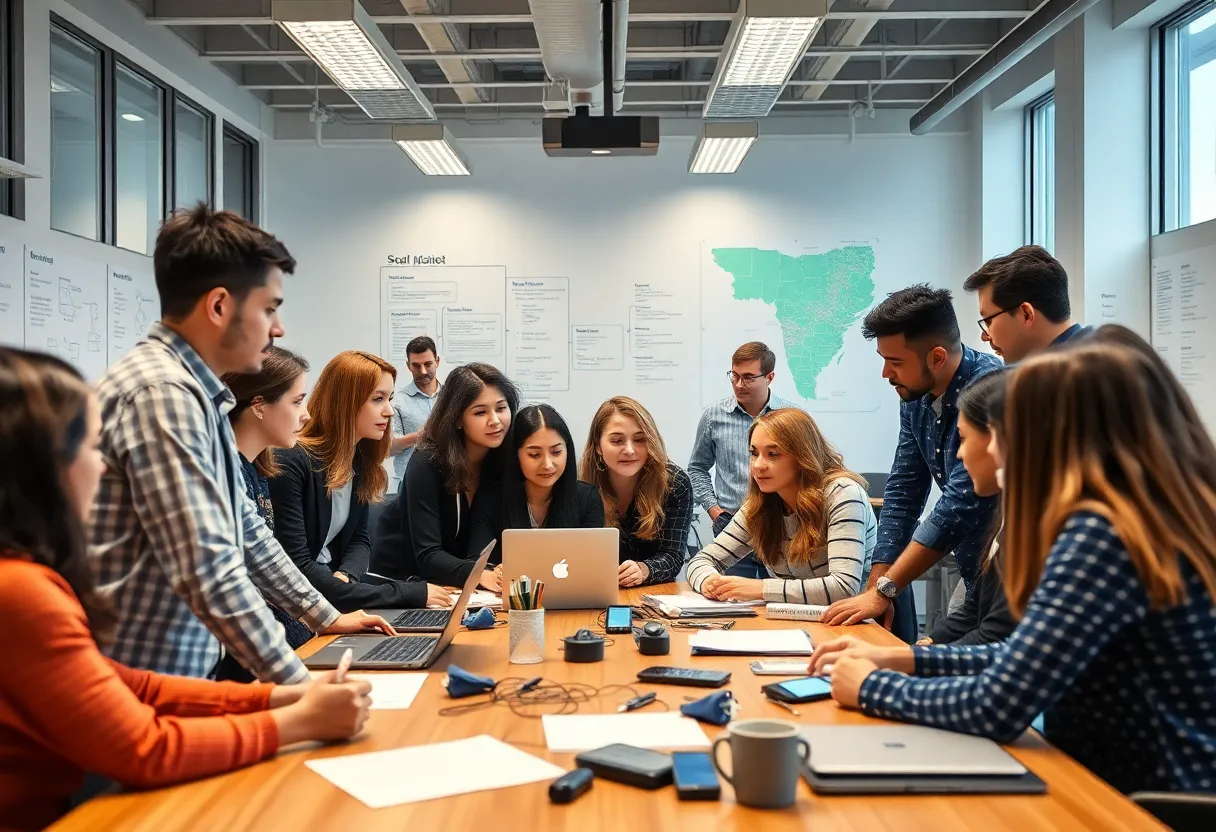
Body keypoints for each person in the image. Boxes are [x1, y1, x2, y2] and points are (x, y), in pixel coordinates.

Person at [811, 328, 1216, 795]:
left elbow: (1000, 704)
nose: (970, 452)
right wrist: (904, 658)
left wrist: (870, 687)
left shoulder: (1101, 533)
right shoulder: (1136, 517)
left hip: (1143, 802)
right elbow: (1025, 658)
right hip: (1138, 784)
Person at [0, 347, 373, 832]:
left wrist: (278, 699)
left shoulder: (27, 577)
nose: (104, 465)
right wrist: (298, 719)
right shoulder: (20, 591)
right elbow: (143, 748)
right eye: (93, 447)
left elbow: (136, 687)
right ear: (45, 469)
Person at [88, 205, 390, 685]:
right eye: (269, 308)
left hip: (176, 681)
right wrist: (298, 684)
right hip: (144, 687)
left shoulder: (196, 394)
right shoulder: (162, 395)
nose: (278, 328)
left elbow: (248, 533)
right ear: (220, 307)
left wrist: (324, 617)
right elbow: (208, 565)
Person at [821, 286, 1001, 643]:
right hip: (974, 577)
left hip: (1004, 574)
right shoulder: (915, 395)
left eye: (896, 362)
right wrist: (877, 586)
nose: (886, 373)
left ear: (936, 357)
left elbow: (956, 507)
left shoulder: (990, 391)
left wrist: (886, 590)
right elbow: (904, 489)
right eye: (883, 358)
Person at [269, 351, 449, 613]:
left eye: (389, 399)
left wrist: (346, 577)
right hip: (300, 604)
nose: (388, 411)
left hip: (334, 591)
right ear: (345, 402)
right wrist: (406, 593)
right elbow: (296, 565)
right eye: (378, 399)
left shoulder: (360, 460)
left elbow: (359, 540)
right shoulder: (293, 460)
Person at [686, 408, 876, 604]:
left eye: (773, 454)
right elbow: (701, 561)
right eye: (754, 453)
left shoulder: (843, 494)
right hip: (792, 623)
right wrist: (710, 582)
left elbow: (844, 588)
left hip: (851, 627)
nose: (758, 465)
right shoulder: (760, 504)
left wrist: (760, 588)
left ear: (803, 457)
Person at [370, 363, 519, 591]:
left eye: (501, 408)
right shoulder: (428, 461)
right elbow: (427, 554)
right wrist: (478, 573)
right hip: (405, 583)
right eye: (480, 412)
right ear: (457, 418)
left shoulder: (503, 459)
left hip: (461, 586)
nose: (495, 420)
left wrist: (493, 569)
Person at [218, 346, 315, 680]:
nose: (306, 415)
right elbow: (248, 585)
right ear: (258, 406)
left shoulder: (257, 468)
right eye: (297, 402)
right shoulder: (226, 473)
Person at [916, 369, 1014, 646]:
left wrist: (918, 660)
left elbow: (995, 636)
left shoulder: (1042, 531)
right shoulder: (1009, 517)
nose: (959, 454)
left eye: (963, 438)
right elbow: (974, 610)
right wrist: (929, 644)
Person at [689, 341, 796, 578]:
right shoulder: (713, 417)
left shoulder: (790, 417)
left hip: (780, 528)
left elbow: (803, 470)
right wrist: (714, 510)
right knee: (732, 600)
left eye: (748, 377)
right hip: (731, 526)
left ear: (769, 377)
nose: (739, 384)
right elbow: (697, 468)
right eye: (734, 376)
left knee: (781, 600)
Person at [468, 404, 605, 562]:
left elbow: (593, 564)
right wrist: (492, 571)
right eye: (534, 454)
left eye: (556, 452)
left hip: (571, 587)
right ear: (516, 455)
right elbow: (475, 562)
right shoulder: (490, 498)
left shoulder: (587, 498)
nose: (547, 464)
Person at [580, 397, 693, 587]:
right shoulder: (580, 486)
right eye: (617, 441)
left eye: (640, 440)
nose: (630, 450)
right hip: (595, 592)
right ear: (598, 446)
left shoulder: (674, 483)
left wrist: (645, 569)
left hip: (655, 596)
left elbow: (673, 556)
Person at [963, 245, 1091, 363]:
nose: (984, 337)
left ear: (1026, 314)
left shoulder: (1067, 378)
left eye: (988, 321)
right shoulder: (1095, 353)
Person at [388, 336, 442, 493]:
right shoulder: (397, 401)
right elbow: (389, 448)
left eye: (428, 364)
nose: (423, 371)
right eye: (416, 366)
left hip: (448, 482)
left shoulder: (451, 397)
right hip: (410, 485)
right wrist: (422, 435)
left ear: (437, 361)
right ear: (408, 366)